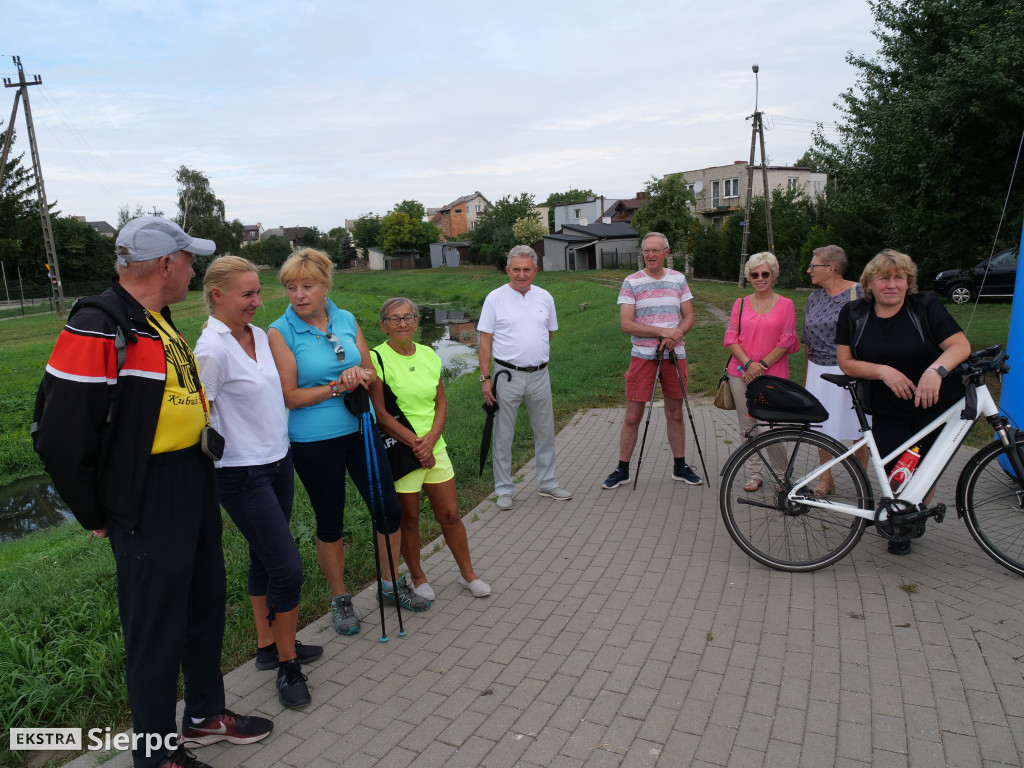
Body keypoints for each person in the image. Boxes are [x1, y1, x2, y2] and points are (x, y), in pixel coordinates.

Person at [34, 217, 273, 768]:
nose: (193, 269)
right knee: (155, 625)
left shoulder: (157, 319)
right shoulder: (98, 324)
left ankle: (205, 714)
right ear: (166, 264)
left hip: (190, 478)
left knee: (204, 602)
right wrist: (97, 510)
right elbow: (59, 435)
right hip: (146, 492)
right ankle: (155, 753)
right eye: (189, 260)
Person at [267, 248, 429, 638]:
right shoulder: (280, 331)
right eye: (291, 287)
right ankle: (340, 599)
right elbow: (289, 396)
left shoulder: (346, 318)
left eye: (307, 286)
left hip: (362, 430)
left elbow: (371, 371)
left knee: (388, 511)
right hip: (314, 440)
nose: (299, 294)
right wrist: (335, 386)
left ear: (325, 285)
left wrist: (363, 374)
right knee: (330, 520)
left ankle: (390, 585)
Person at [194, 256, 322, 710]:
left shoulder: (260, 338)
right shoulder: (211, 350)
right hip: (240, 473)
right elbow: (198, 418)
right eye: (247, 294)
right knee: (288, 566)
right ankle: (288, 666)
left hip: (277, 460)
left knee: (265, 560)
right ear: (217, 296)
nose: (256, 301)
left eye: (257, 292)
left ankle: (267, 648)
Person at [837, 249, 970, 554]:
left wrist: (936, 371)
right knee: (898, 472)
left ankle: (907, 524)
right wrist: (883, 371)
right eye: (884, 278)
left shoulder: (925, 306)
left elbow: (959, 345)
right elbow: (846, 363)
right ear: (870, 283)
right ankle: (901, 510)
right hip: (887, 406)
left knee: (926, 467)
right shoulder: (854, 313)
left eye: (900, 277)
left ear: (909, 281)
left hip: (935, 404)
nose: (892, 284)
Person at [369, 297, 491, 599]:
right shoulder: (375, 358)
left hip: (433, 447)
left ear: (416, 321)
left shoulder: (428, 354)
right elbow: (381, 415)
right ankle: (419, 577)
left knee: (450, 513)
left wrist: (432, 439)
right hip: (401, 449)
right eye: (394, 319)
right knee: (409, 518)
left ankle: (468, 574)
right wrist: (416, 444)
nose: (402, 324)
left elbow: (441, 402)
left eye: (407, 317)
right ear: (384, 325)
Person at [601, 232, 702, 489]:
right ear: (642, 253)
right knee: (633, 415)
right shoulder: (631, 282)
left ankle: (680, 465)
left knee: (675, 413)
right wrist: (663, 332)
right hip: (643, 356)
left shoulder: (678, 279)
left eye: (656, 250)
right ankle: (622, 469)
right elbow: (627, 324)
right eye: (647, 250)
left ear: (667, 252)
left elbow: (689, 316)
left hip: (674, 355)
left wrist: (675, 335)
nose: (651, 255)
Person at [478, 245, 572, 510]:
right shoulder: (495, 298)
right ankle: (505, 489)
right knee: (503, 435)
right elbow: (485, 342)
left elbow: (547, 333)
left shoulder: (545, 297)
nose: (521, 275)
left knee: (545, 432)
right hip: (506, 375)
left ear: (535, 270)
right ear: (508, 269)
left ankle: (548, 482)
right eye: (516, 269)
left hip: (540, 374)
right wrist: (486, 378)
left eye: (527, 269)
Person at [723, 251, 801, 492]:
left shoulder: (786, 304)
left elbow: (787, 340)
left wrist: (761, 366)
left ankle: (782, 475)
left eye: (765, 273)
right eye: (754, 274)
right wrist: (748, 364)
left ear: (774, 275)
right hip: (740, 372)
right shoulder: (741, 303)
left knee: (771, 427)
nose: (759, 278)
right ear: (749, 277)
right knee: (748, 426)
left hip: (772, 374)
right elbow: (730, 337)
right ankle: (754, 474)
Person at [801, 245, 868, 494]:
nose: (809, 270)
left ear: (831, 268)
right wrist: (808, 379)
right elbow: (807, 339)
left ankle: (861, 480)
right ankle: (825, 478)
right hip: (819, 371)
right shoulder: (813, 298)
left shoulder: (859, 292)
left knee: (859, 428)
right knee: (821, 427)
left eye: (813, 265)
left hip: (850, 370)